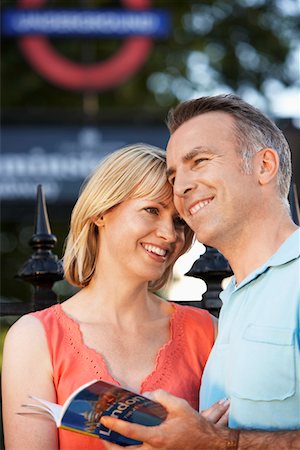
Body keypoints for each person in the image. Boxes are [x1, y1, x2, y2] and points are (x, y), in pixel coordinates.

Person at [100, 95, 300, 449]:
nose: (180, 188)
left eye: (200, 161)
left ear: (264, 166)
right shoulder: (235, 300)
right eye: (175, 174)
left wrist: (221, 442)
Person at [2, 144, 228, 450]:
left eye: (178, 221)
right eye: (152, 210)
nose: (170, 234)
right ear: (101, 212)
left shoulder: (207, 332)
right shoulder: (35, 338)